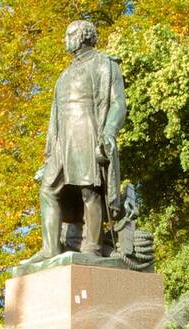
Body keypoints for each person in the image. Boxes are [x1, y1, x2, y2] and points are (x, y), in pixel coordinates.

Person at [30, 19, 127, 261]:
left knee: (90, 190)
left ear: (83, 36)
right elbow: (55, 115)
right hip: (63, 139)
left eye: (69, 34)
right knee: (48, 189)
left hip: (88, 130)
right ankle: (50, 248)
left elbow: (118, 104)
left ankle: (92, 247)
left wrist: (109, 132)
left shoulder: (105, 65)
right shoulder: (63, 75)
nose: (65, 40)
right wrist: (50, 151)